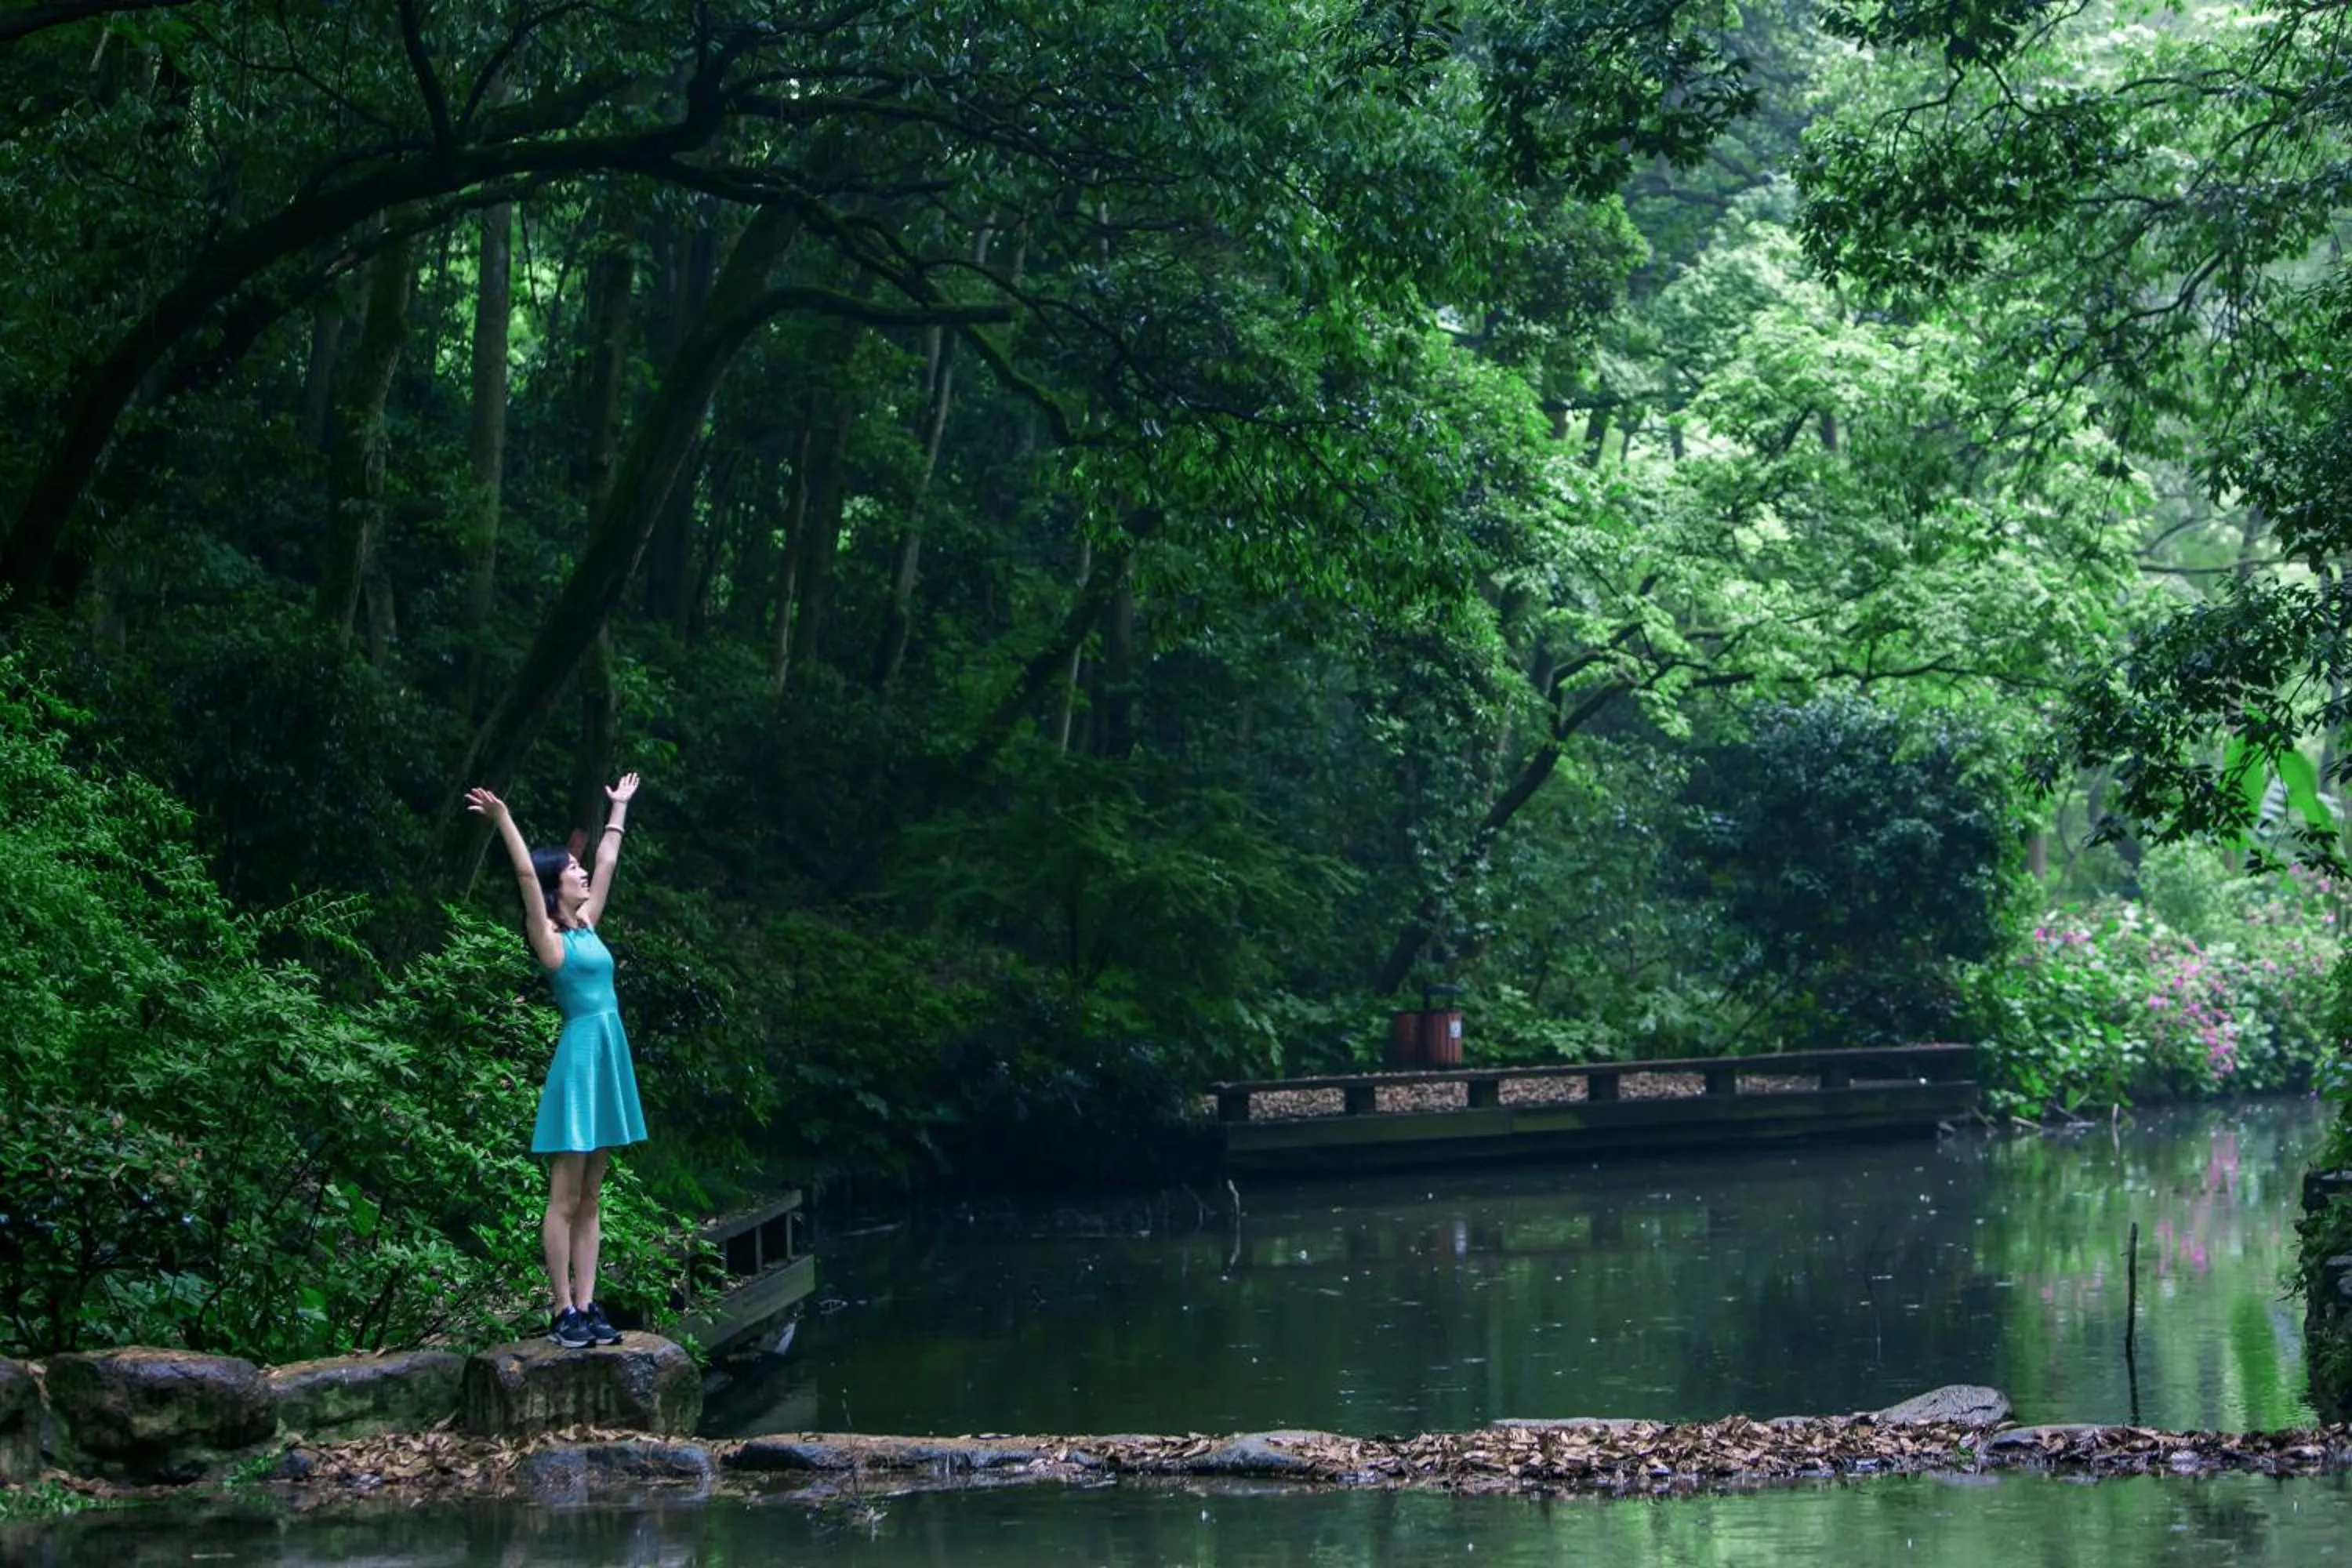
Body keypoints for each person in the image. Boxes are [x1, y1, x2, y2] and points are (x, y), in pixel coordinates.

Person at [465, 773, 648, 1351]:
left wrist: (617, 808)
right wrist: (504, 822)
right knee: (564, 1197)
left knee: (593, 1197)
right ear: (555, 883)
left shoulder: (588, 922)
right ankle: (561, 1308)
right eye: (572, 870)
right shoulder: (547, 937)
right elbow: (524, 875)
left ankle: (590, 1304)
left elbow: (610, 860)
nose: (582, 871)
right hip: (579, 1062)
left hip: (608, 1055)